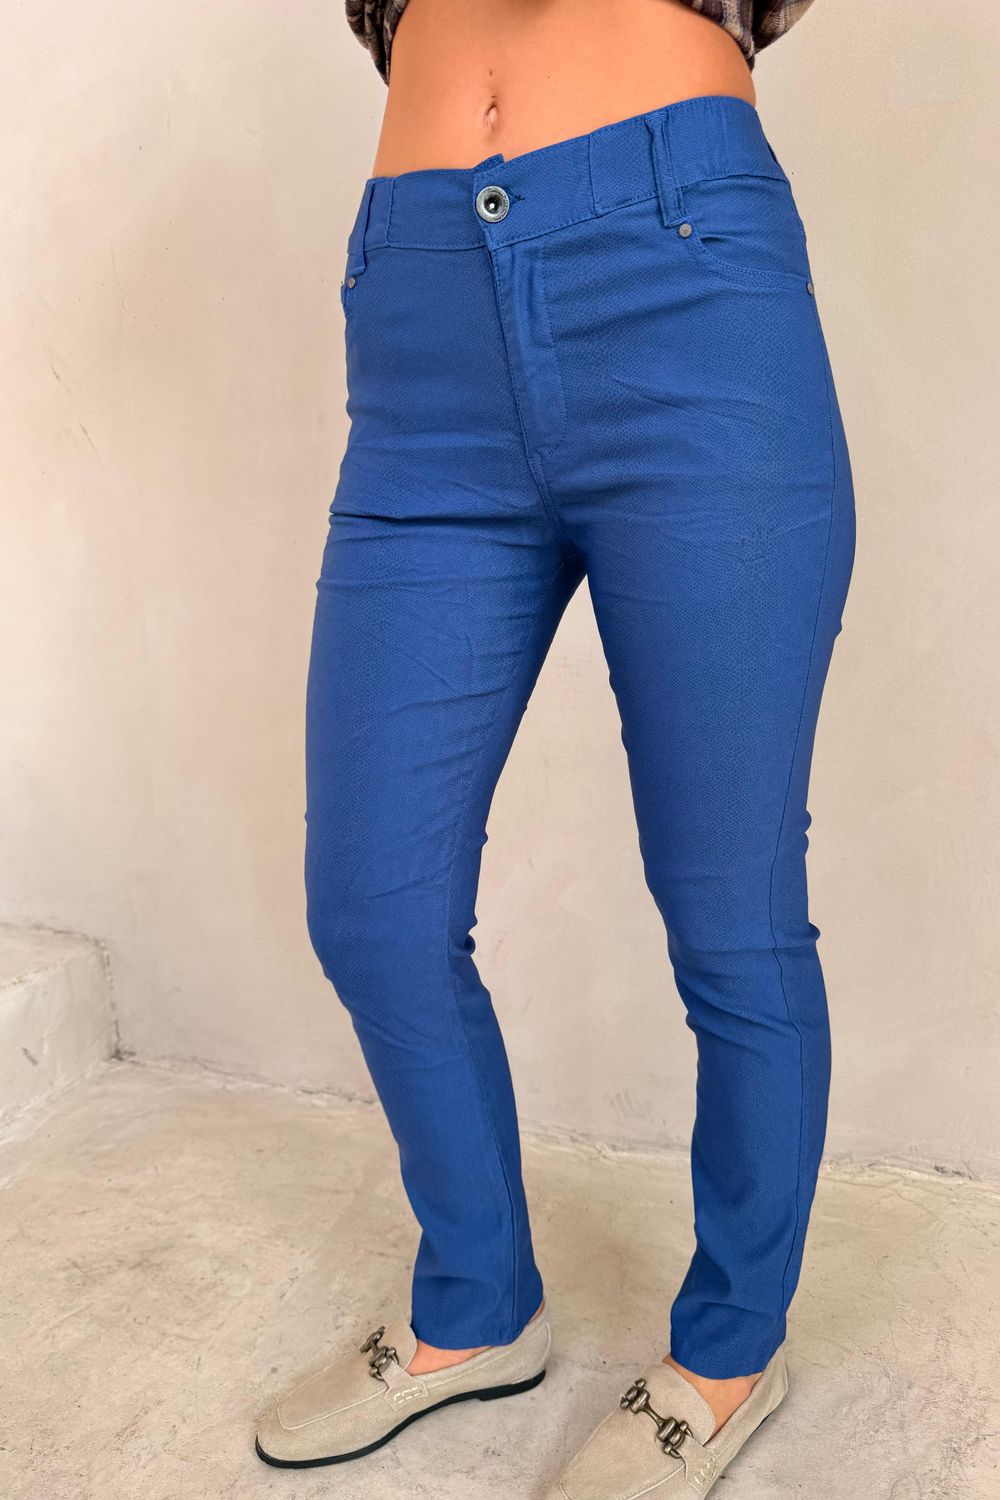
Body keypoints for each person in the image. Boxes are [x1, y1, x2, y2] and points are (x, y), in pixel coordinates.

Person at [255, 1, 856, 1493]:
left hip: (682, 285)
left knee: (731, 916)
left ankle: (730, 1351)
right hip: (421, 329)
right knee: (373, 908)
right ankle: (477, 1305)